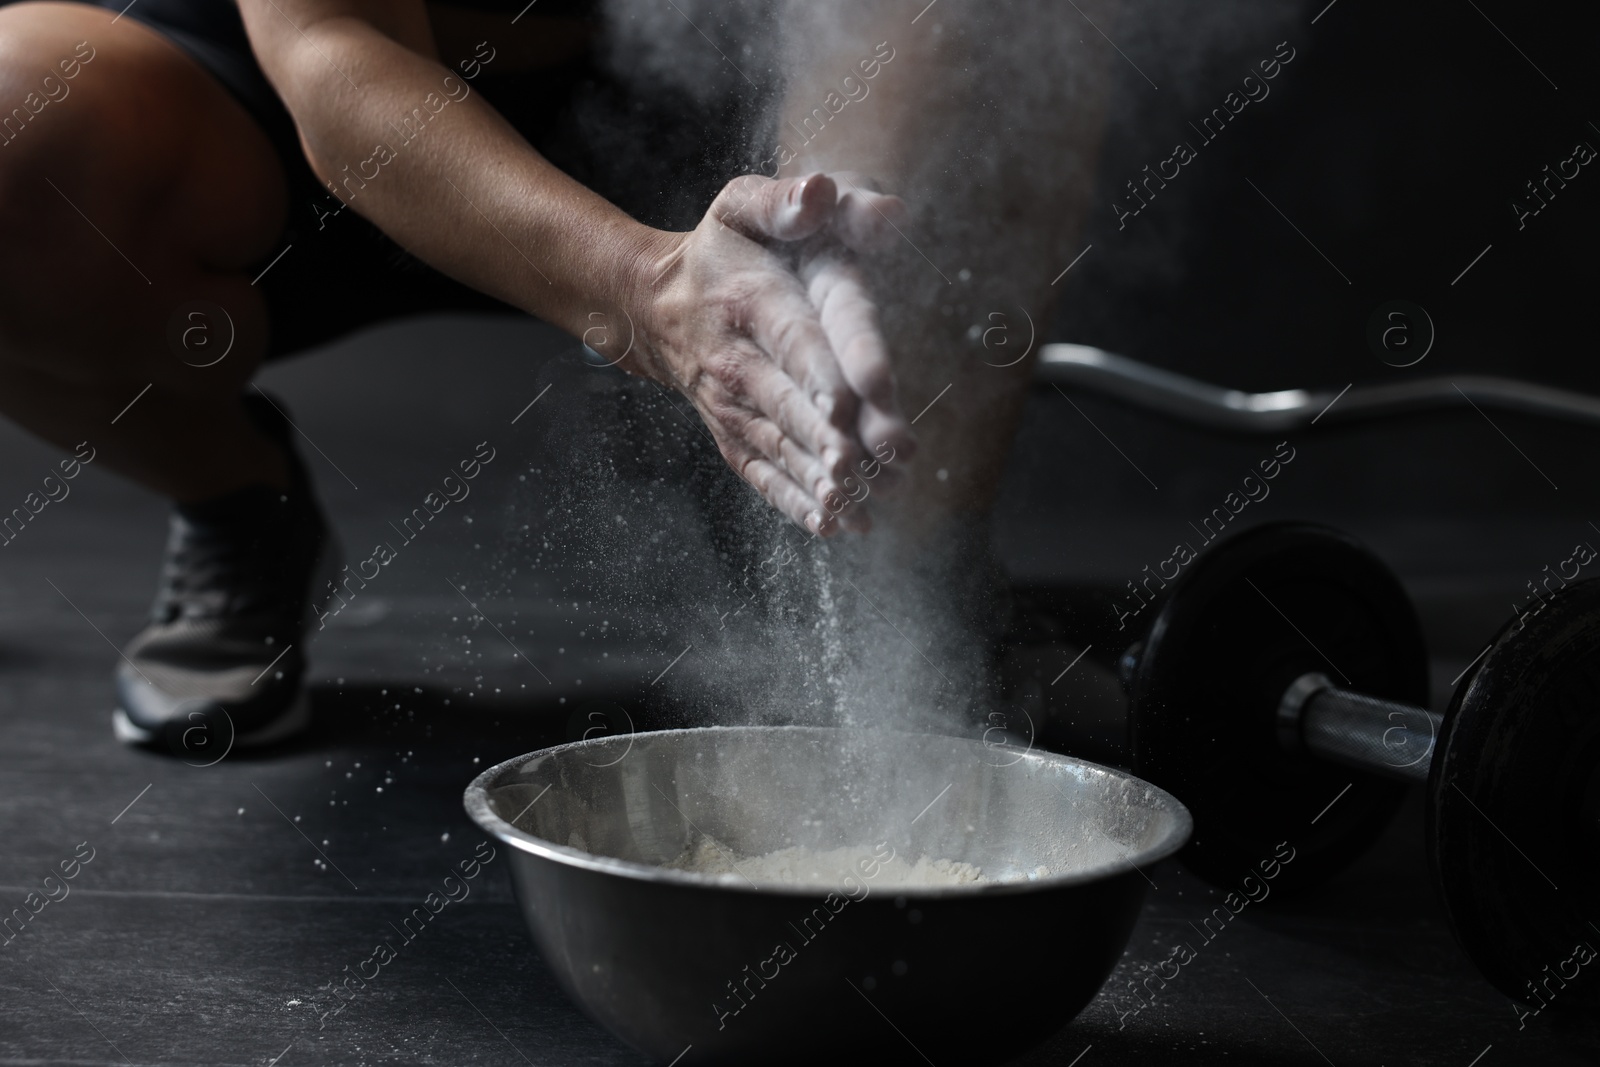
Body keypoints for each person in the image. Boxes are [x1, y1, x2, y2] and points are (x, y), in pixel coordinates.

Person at [0, 0, 1104, 750]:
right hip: (314, 113)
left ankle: (896, 571)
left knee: (1012, 32)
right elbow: (332, 46)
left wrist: (837, 214)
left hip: (726, 93)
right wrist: (644, 290)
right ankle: (237, 502)